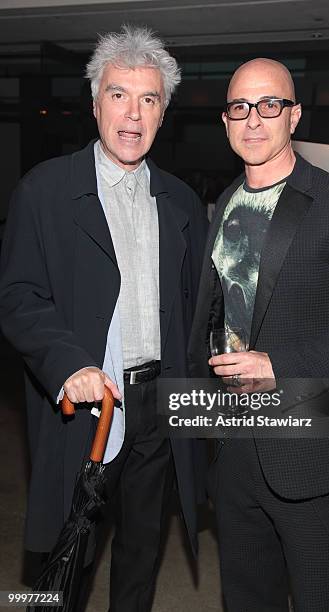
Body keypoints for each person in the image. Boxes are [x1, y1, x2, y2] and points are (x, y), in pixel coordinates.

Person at [0, 25, 207, 612]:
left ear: (163, 113)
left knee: (142, 554)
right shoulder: (44, 191)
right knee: (64, 561)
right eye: (119, 95)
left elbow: (193, 310)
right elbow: (16, 296)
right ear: (95, 104)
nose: (133, 114)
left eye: (149, 99)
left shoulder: (180, 201)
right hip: (87, 409)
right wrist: (68, 365)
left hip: (158, 408)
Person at [188, 58, 329, 611]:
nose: (253, 120)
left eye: (269, 105)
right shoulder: (224, 203)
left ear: (294, 115)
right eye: (240, 107)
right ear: (226, 121)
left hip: (312, 454)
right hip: (233, 450)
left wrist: (276, 364)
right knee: (246, 598)